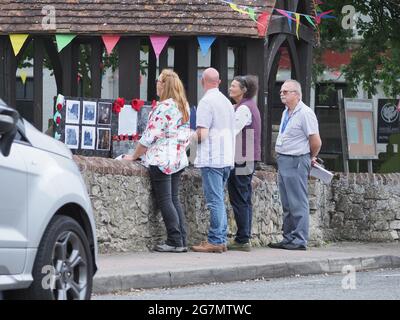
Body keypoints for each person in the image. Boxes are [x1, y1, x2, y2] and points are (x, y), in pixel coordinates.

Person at [123, 69, 191, 253]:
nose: (156, 84)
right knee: (174, 199)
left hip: (161, 159)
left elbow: (148, 137)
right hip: (178, 158)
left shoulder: (163, 107)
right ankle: (182, 239)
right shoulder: (182, 105)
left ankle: (174, 240)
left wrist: (133, 156)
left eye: (158, 81)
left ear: (165, 85)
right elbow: (187, 136)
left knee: (165, 200)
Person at [269, 79, 321, 251]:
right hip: (284, 159)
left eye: (286, 91)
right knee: (287, 202)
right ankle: (288, 237)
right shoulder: (287, 112)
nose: (282, 94)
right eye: (281, 92)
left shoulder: (305, 113)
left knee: (297, 201)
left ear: (297, 95)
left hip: (297, 160)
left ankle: (299, 240)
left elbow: (315, 141)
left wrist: (309, 157)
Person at [191, 68, 235, 253]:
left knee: (214, 200)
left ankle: (215, 240)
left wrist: (189, 137)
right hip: (226, 157)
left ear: (203, 81)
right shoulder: (226, 101)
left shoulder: (206, 101)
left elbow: (202, 133)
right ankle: (221, 239)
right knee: (220, 200)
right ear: (219, 81)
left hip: (212, 158)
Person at [226, 75, 261, 252]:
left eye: (234, 86)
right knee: (244, 197)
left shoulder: (244, 109)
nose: (230, 88)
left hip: (242, 157)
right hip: (247, 156)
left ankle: (242, 239)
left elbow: (231, 131)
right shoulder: (246, 107)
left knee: (239, 197)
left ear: (243, 90)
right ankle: (244, 236)